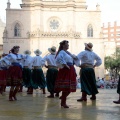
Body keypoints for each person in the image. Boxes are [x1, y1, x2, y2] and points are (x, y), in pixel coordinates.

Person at [55, 40, 77, 108]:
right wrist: (65, 64)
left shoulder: (67, 53)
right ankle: (63, 102)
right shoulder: (62, 52)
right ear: (63, 45)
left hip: (70, 69)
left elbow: (73, 60)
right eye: (67, 44)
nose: (68, 45)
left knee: (70, 86)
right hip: (66, 69)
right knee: (66, 86)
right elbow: (58, 58)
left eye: (68, 44)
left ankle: (63, 99)